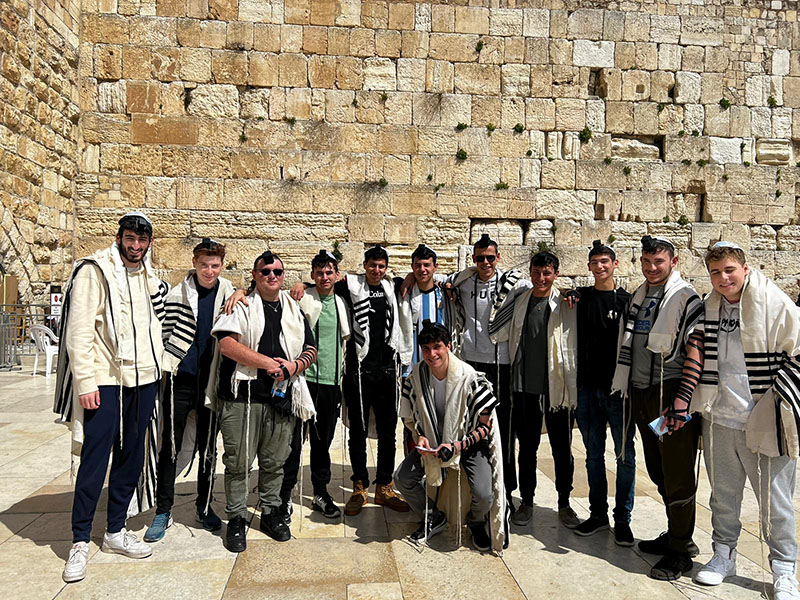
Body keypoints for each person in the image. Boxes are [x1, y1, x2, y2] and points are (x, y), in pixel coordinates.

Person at [55, 211, 168, 583]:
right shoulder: (94, 271)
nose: (135, 246)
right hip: (105, 379)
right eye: (130, 239)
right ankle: (79, 541)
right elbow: (79, 331)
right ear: (119, 237)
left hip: (144, 377)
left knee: (132, 455)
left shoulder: (150, 276)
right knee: (94, 458)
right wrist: (85, 382)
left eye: (142, 240)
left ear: (150, 243)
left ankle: (115, 530)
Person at [690, 242, 800, 600]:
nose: (723, 279)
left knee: (775, 501)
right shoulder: (710, 308)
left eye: (729, 270)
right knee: (723, 495)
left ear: (745, 268)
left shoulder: (775, 302)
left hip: (765, 417)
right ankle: (724, 556)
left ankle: (784, 569)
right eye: (715, 273)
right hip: (721, 417)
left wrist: (778, 400)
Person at [610, 235, 704, 581]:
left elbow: (696, 347)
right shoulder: (639, 296)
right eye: (647, 262)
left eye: (659, 262)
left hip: (670, 395)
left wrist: (682, 402)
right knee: (658, 469)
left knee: (678, 472)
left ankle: (680, 551)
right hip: (642, 394)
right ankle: (677, 533)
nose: (652, 268)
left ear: (673, 262)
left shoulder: (685, 297)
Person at [210, 250, 317, 551]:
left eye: (278, 272)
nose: (272, 276)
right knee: (239, 463)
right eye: (266, 271)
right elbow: (228, 345)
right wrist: (268, 364)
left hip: (281, 399)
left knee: (274, 462)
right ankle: (237, 519)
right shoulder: (240, 304)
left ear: (284, 277)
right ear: (255, 275)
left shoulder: (295, 310)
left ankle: (270, 513)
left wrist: (292, 368)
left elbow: (310, 348)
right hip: (243, 397)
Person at [144, 238, 235, 542]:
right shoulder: (175, 295)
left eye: (215, 265)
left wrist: (240, 292)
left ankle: (204, 505)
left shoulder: (228, 293)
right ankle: (163, 510)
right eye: (204, 264)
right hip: (180, 381)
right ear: (194, 263)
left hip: (210, 383)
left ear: (221, 266)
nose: (210, 270)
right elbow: (161, 334)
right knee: (169, 447)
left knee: (208, 449)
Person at [394, 321, 506, 552]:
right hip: (434, 443)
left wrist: (458, 445)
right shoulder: (417, 375)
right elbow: (410, 416)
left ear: (449, 346)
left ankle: (475, 523)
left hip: (468, 445)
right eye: (426, 349)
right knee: (402, 479)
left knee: (484, 495)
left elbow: (486, 426)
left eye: (437, 347)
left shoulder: (470, 377)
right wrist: (420, 436)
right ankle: (433, 516)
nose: (431, 354)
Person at [489, 251, 579, 529]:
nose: (542, 278)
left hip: (556, 389)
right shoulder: (521, 300)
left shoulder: (566, 302)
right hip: (524, 387)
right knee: (526, 448)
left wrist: (575, 293)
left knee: (561, 449)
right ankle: (526, 500)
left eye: (547, 273)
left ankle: (564, 503)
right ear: (530, 272)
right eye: (537, 272)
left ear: (556, 274)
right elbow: (496, 323)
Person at [445, 233, 529, 512]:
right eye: (480, 258)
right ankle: (475, 487)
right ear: (473, 259)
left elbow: (543, 287)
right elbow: (438, 279)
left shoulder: (514, 284)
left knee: (503, 430)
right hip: (470, 363)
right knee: (471, 426)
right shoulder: (464, 281)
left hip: (500, 364)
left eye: (490, 257)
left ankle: (505, 490)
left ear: (498, 257)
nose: (485, 263)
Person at [571, 241, 635, 546]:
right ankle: (598, 515)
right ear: (588, 267)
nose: (599, 266)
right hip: (587, 388)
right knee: (593, 456)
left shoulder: (628, 301)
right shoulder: (580, 298)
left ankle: (622, 519)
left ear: (615, 264)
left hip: (617, 391)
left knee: (624, 456)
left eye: (604, 261)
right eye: (594, 262)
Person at [280, 249, 350, 521]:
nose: (324, 276)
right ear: (312, 275)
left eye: (329, 271)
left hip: (331, 383)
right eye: (319, 272)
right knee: (293, 442)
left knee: (323, 443)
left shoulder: (342, 302)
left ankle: (320, 491)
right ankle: (284, 495)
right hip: (304, 381)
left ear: (336, 274)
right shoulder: (302, 299)